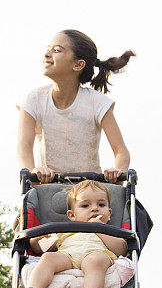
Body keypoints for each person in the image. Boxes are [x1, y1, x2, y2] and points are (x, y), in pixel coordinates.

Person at [17, 29, 135, 184]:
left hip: (89, 192)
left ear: (78, 64)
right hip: (46, 192)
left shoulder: (97, 102)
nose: (47, 54)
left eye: (57, 50)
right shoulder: (34, 99)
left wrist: (117, 177)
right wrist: (33, 172)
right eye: (48, 49)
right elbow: (24, 145)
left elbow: (121, 151)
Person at [12, 181, 127, 288]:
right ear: (72, 215)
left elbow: (122, 249)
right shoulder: (66, 230)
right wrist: (43, 239)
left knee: (95, 261)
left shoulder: (107, 231)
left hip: (96, 255)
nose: (94, 209)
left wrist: (98, 229)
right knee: (48, 258)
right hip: (68, 256)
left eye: (101, 205)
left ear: (109, 213)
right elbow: (37, 247)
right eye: (85, 206)